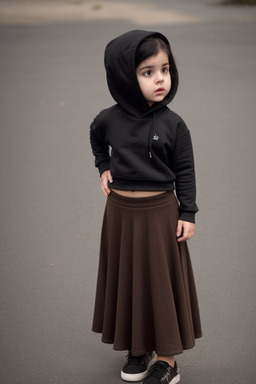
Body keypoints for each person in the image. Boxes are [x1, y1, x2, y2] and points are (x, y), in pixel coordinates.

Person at [90, 30, 202, 384]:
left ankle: (167, 360)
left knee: (159, 283)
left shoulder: (174, 124)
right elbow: (96, 136)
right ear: (125, 77)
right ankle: (138, 350)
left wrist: (188, 213)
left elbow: (185, 171)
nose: (160, 79)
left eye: (165, 69)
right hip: (121, 215)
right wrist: (103, 166)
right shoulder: (109, 119)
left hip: (160, 215)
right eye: (147, 71)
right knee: (129, 279)